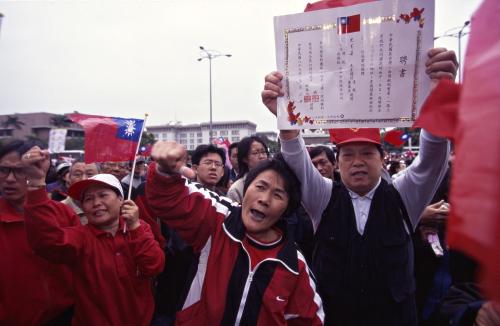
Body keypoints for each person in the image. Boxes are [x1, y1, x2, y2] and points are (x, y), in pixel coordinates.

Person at [261, 47, 457, 325]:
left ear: (382, 158)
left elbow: (432, 159)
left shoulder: (404, 196)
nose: (358, 163)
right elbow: (296, 160)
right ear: (337, 163)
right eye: (348, 155)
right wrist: (285, 118)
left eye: (367, 153)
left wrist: (438, 98)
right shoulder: (324, 197)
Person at [146, 140, 324, 325]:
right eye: (260, 187)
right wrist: (164, 171)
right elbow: (168, 199)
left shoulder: (295, 266)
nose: (264, 199)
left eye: (278, 195)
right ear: (245, 189)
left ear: (287, 208)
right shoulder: (219, 218)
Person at [22, 146, 165, 326]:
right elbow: (46, 242)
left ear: (120, 199)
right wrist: (35, 185)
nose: (96, 203)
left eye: (103, 195)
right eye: (88, 199)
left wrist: (135, 227)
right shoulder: (81, 237)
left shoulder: (138, 228)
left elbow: (154, 266)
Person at [0, 140, 77, 325]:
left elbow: (77, 262)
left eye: (19, 171)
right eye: (3, 170)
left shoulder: (63, 212)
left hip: (64, 316)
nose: (9, 179)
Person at [227, 136, 269, 203]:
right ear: (245, 158)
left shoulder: (276, 180)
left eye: (263, 152)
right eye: (255, 153)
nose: (261, 156)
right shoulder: (236, 190)